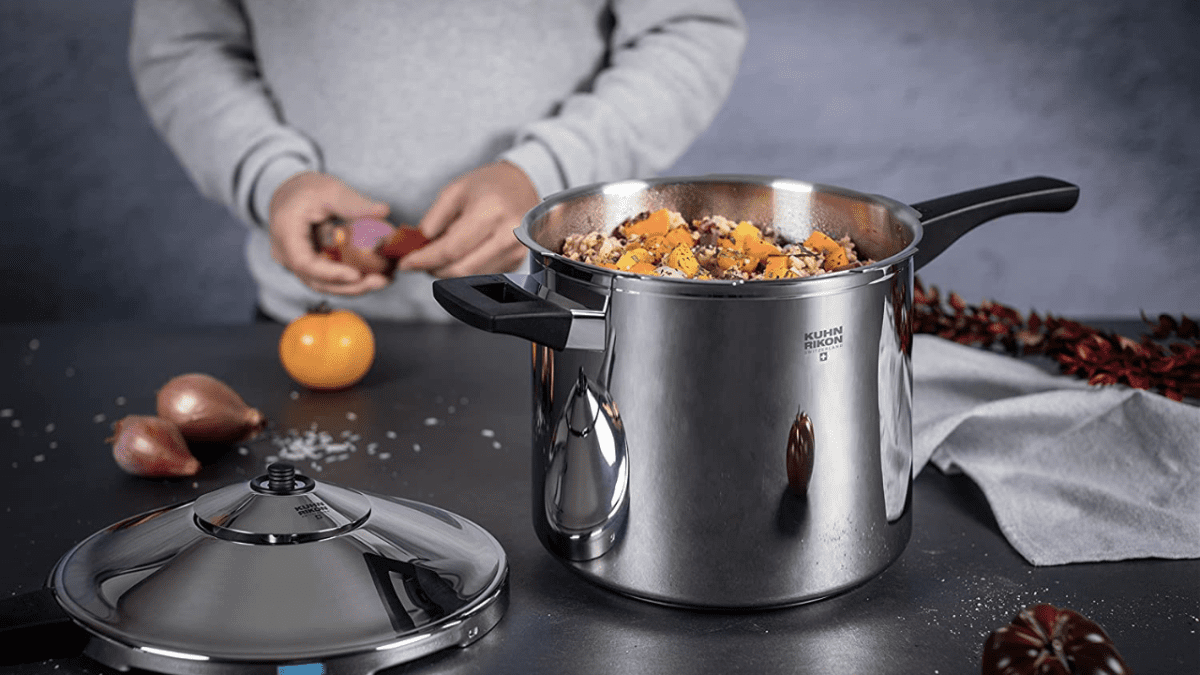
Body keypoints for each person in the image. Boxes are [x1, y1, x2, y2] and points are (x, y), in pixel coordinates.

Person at [128, 1, 748, 322]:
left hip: (561, 314)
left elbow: (690, 25)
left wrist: (547, 175)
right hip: (313, 321)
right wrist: (269, 176)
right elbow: (185, 44)